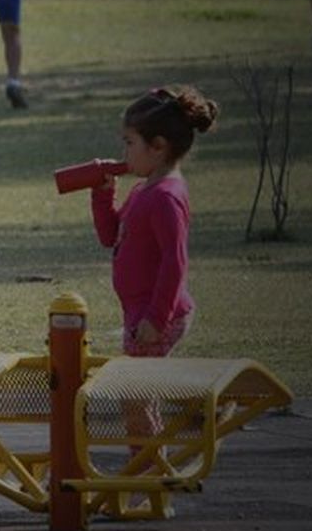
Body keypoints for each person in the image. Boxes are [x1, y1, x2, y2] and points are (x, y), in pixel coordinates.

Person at [91, 86, 218, 361]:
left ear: (158, 146)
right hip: (139, 311)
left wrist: (157, 319)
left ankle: (208, 403)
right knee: (141, 395)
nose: (124, 153)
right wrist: (103, 194)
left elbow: (175, 261)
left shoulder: (165, 198)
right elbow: (110, 236)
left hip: (156, 315)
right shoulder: (143, 190)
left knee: (137, 395)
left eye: (129, 143)